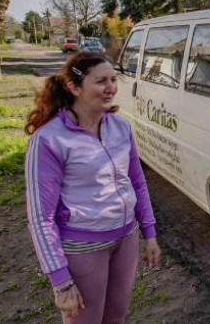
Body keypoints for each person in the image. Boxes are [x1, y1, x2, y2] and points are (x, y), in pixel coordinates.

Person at [24, 52, 161, 324]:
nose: (110, 88)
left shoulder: (120, 127)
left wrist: (150, 232)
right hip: (83, 248)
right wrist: (60, 280)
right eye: (100, 81)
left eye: (113, 79)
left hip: (126, 239)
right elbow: (41, 217)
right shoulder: (49, 140)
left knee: (116, 318)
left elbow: (137, 182)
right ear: (74, 87)